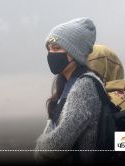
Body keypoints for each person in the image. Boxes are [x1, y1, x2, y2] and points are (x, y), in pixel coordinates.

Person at [34, 17, 104, 164]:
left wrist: (39, 145)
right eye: (49, 49)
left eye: (57, 48)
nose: (51, 54)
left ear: (75, 52)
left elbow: (57, 145)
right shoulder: (66, 85)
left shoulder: (84, 87)